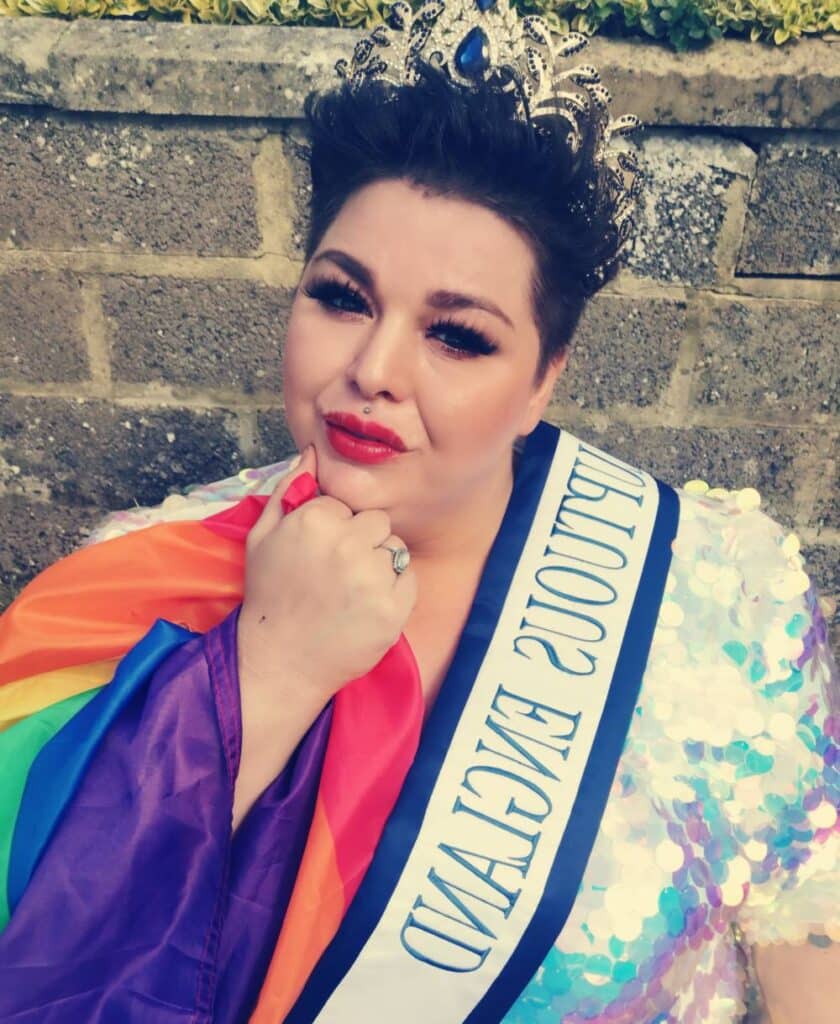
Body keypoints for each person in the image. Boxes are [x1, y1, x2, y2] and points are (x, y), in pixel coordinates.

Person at [0, 1, 837, 1021]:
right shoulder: (138, 580)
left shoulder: (718, 595)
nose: (373, 370)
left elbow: (808, 933)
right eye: (343, 297)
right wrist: (266, 676)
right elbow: (46, 958)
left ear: (544, 379)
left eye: (459, 336)